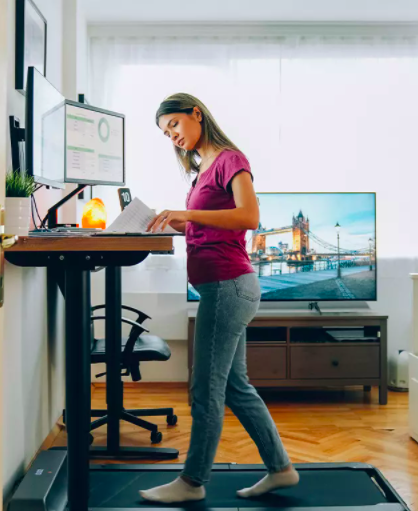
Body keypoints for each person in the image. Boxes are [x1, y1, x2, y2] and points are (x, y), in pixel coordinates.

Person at [140, 93, 299, 503]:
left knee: (205, 389)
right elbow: (211, 229)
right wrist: (167, 223)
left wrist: (188, 214)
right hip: (222, 286)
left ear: (196, 113)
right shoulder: (202, 172)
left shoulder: (230, 159)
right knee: (235, 387)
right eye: (164, 133)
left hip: (229, 286)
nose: (171, 136)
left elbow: (249, 217)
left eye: (173, 124)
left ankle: (192, 482)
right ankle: (281, 469)